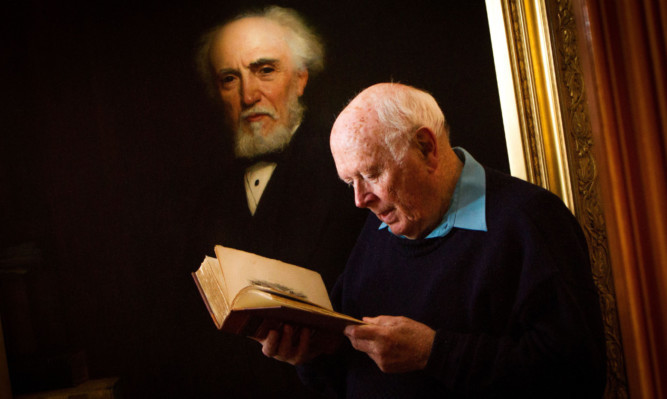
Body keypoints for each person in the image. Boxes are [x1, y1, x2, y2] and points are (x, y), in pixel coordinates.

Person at [260, 83, 608, 398]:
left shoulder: (530, 220)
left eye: (371, 174)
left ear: (426, 148)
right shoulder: (381, 225)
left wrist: (434, 353)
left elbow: (578, 376)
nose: (360, 199)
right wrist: (310, 356)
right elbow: (351, 377)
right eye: (350, 181)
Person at [171, 6, 368, 399]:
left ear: (300, 79)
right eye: (230, 79)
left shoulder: (351, 174)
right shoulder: (204, 200)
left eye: (265, 70)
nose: (249, 95)